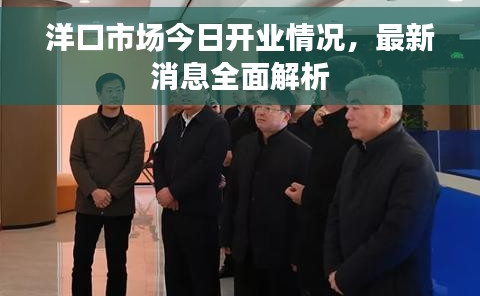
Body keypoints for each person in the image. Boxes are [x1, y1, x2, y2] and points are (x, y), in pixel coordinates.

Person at [324, 75, 440, 295]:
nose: (347, 115)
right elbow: (336, 212)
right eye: (348, 108)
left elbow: (397, 237)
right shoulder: (355, 153)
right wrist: (333, 269)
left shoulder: (413, 163)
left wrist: (346, 276)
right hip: (348, 282)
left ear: (385, 113)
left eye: (356, 108)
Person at [285, 56, 365, 295]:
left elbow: (342, 192)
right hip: (330, 247)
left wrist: (306, 196)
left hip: (331, 249)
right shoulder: (332, 125)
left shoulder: (343, 132)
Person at [221, 90, 311, 296]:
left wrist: (298, 252)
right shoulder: (245, 145)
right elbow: (233, 194)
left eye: (269, 108)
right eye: (259, 106)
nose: (260, 112)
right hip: (245, 247)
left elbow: (303, 211)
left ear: (286, 116)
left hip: (280, 250)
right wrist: (226, 234)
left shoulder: (302, 153)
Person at [70, 73, 145, 296]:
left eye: (118, 90)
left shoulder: (134, 127)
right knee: (82, 262)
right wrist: (93, 191)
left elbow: (135, 164)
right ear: (99, 94)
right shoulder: (84, 125)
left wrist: (110, 193)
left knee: (117, 265)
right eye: (109, 91)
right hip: (88, 205)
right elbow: (76, 159)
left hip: (119, 207)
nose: (114, 95)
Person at [153, 86, 229, 296]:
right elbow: (159, 157)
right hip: (172, 213)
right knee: (175, 274)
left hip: (200, 214)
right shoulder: (174, 122)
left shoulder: (216, 124)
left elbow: (208, 166)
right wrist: (162, 189)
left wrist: (174, 192)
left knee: (202, 277)